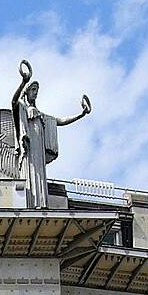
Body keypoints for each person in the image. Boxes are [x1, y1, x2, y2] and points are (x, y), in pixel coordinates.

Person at [10, 59, 91, 207]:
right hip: (29, 151)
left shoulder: (41, 116)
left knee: (40, 177)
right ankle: (31, 204)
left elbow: (60, 121)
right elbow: (14, 101)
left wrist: (81, 114)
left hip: (38, 153)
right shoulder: (23, 109)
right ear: (27, 92)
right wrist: (23, 81)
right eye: (33, 90)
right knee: (30, 175)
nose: (35, 93)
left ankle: (41, 205)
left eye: (37, 91)